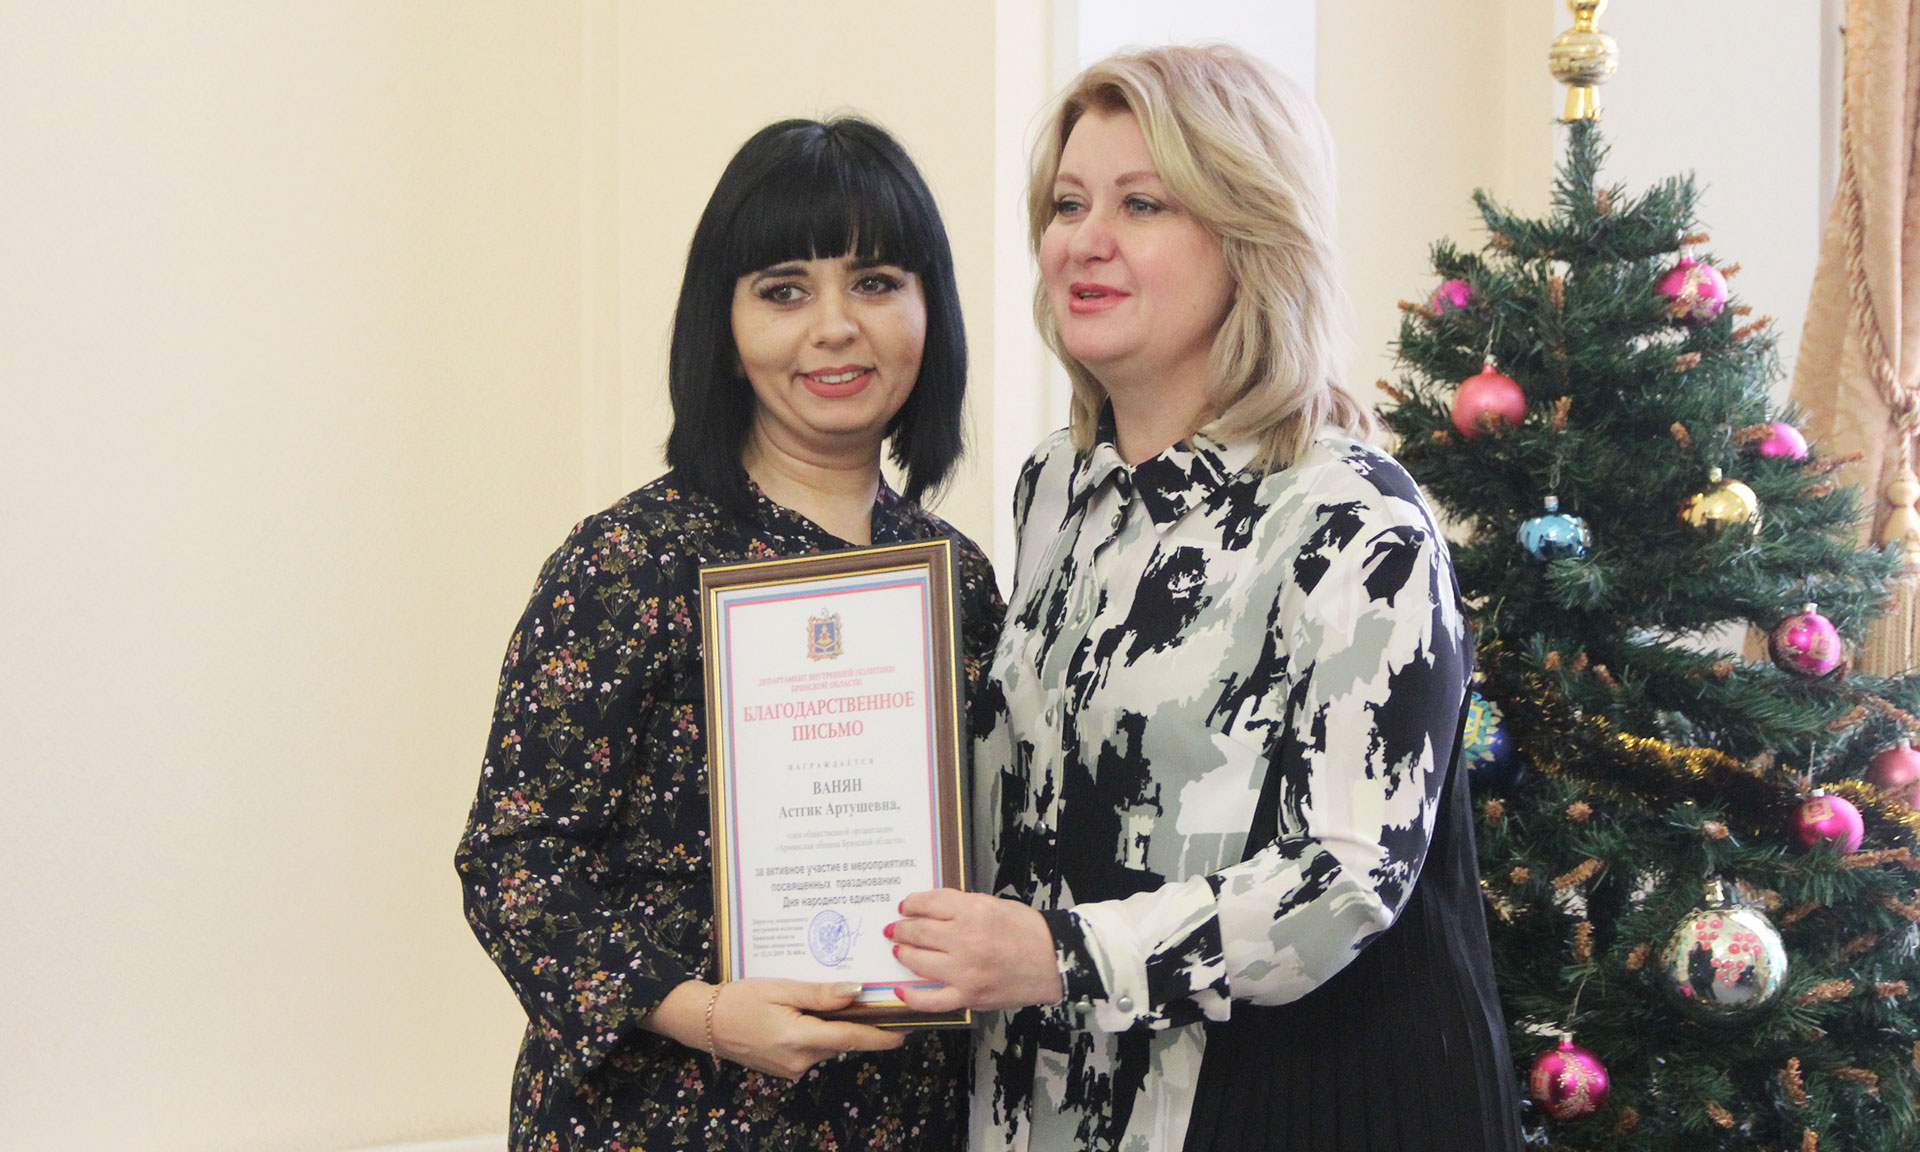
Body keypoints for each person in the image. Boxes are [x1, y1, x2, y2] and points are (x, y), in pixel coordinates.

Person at [888, 44, 1524, 1151]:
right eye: (1068, 204)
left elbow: (1347, 878)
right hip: (1040, 1106)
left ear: (1251, 236)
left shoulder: (1355, 519)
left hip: (1280, 1104)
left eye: (1143, 204)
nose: (1084, 240)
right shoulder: (1057, 489)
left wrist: (1058, 956)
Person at [456, 116, 1003, 1152]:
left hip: (904, 1118)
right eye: (785, 290)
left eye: (876, 282)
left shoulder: (957, 581)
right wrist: (702, 1013)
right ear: (724, 321)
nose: (835, 327)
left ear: (931, 308)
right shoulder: (630, 560)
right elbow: (514, 864)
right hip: (661, 1118)